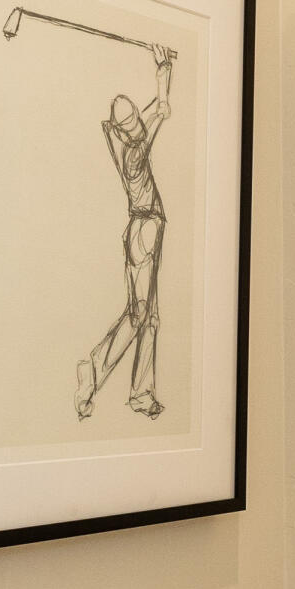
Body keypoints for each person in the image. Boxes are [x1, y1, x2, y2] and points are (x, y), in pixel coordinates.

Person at [78, 43, 174, 419]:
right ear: (124, 128)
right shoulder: (135, 151)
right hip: (145, 230)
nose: (137, 122)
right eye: (131, 121)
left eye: (135, 117)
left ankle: (141, 395)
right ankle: (94, 370)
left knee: (149, 317)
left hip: (145, 227)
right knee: (138, 315)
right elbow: (162, 110)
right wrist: (163, 70)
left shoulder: (122, 136)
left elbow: (153, 110)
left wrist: (163, 70)